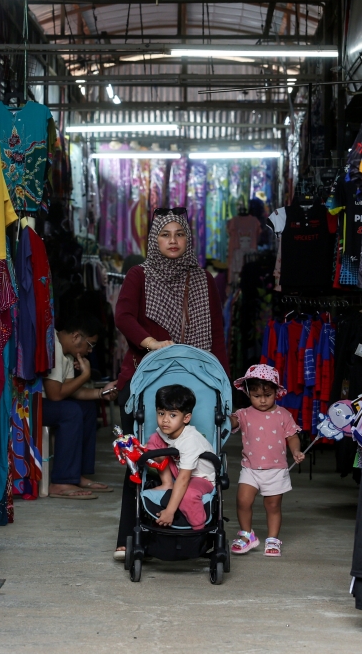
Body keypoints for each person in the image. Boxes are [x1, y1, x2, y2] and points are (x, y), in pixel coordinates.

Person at [113, 208, 230, 558]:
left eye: (180, 234)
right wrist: (151, 344)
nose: (173, 240)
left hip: (197, 383)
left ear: (188, 239)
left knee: (197, 459)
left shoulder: (203, 279)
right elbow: (123, 316)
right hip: (144, 379)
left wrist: (225, 392)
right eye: (165, 234)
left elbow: (216, 337)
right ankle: (127, 536)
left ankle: (196, 531)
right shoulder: (139, 275)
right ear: (155, 239)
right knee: (140, 459)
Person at [228, 364, 306, 558]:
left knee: (272, 506)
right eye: (256, 396)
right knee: (242, 501)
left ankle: (272, 538)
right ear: (248, 393)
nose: (262, 400)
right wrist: (224, 418)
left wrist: (296, 450)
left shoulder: (283, 414)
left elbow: (292, 436)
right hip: (250, 468)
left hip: (275, 470)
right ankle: (247, 535)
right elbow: (233, 422)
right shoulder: (244, 414)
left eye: (268, 395)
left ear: (276, 392)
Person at [43, 312, 119, 499]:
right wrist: (85, 376)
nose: (90, 351)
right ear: (76, 336)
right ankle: (61, 482)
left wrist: (101, 393)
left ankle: (76, 474)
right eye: (90, 344)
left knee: (87, 408)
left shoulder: (67, 353)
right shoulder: (53, 345)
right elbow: (55, 394)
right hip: (30, 405)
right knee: (71, 412)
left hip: (48, 403)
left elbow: (70, 390)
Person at [145, 385, 217, 530]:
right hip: (178, 469)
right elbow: (151, 449)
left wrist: (169, 511)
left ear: (186, 418)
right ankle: (167, 483)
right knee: (154, 439)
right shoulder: (164, 432)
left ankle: (198, 528)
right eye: (161, 413)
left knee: (187, 495)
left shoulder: (190, 440)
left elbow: (184, 479)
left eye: (172, 415)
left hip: (200, 478)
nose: (165, 420)